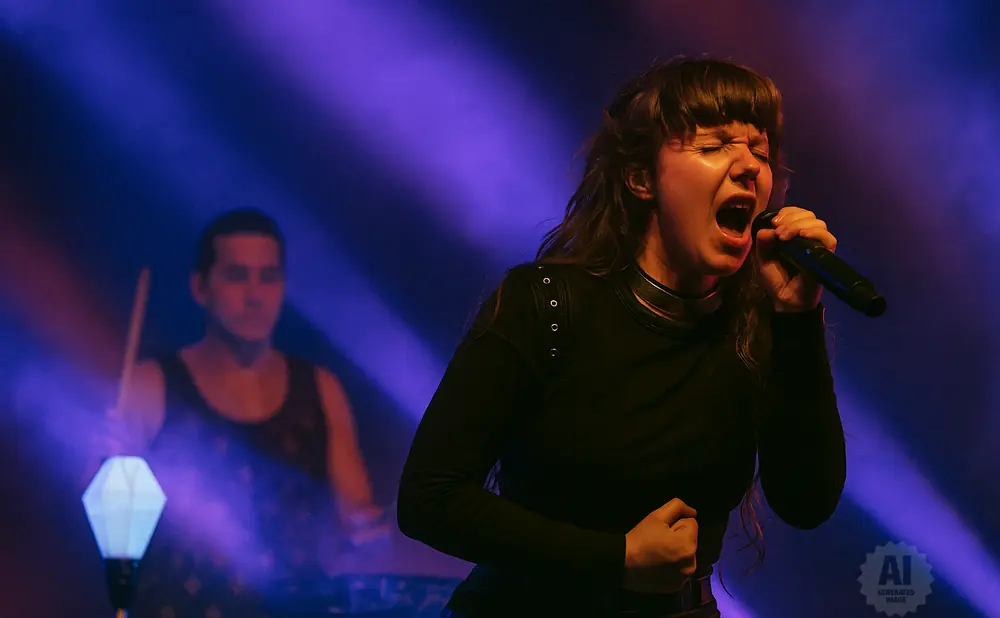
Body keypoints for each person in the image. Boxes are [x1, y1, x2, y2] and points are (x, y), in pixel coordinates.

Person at [396, 56, 847, 617]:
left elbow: (807, 502)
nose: (749, 167)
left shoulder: (754, 328)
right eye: (714, 147)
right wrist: (616, 557)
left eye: (760, 151)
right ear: (641, 178)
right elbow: (430, 499)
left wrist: (798, 318)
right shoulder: (547, 305)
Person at [107, 209, 386, 618]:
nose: (255, 294)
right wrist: (102, 467)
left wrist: (369, 538)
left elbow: (359, 527)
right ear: (200, 287)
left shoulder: (321, 389)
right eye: (237, 275)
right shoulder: (152, 385)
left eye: (268, 277)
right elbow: (104, 518)